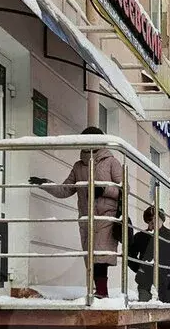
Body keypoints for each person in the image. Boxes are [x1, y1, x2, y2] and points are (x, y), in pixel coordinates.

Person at [29, 126, 122, 298]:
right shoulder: (78, 166)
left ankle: (102, 292)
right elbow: (65, 190)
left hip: (105, 216)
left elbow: (124, 188)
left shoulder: (111, 162)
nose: (85, 144)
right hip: (86, 217)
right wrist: (45, 184)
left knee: (100, 254)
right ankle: (98, 291)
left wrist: (105, 190)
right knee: (90, 257)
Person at [128, 206, 170, 303]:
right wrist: (140, 269)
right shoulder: (141, 236)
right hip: (146, 282)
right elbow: (130, 255)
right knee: (145, 310)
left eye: (155, 218)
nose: (152, 222)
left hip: (168, 283)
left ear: (162, 219)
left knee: (168, 313)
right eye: (149, 219)